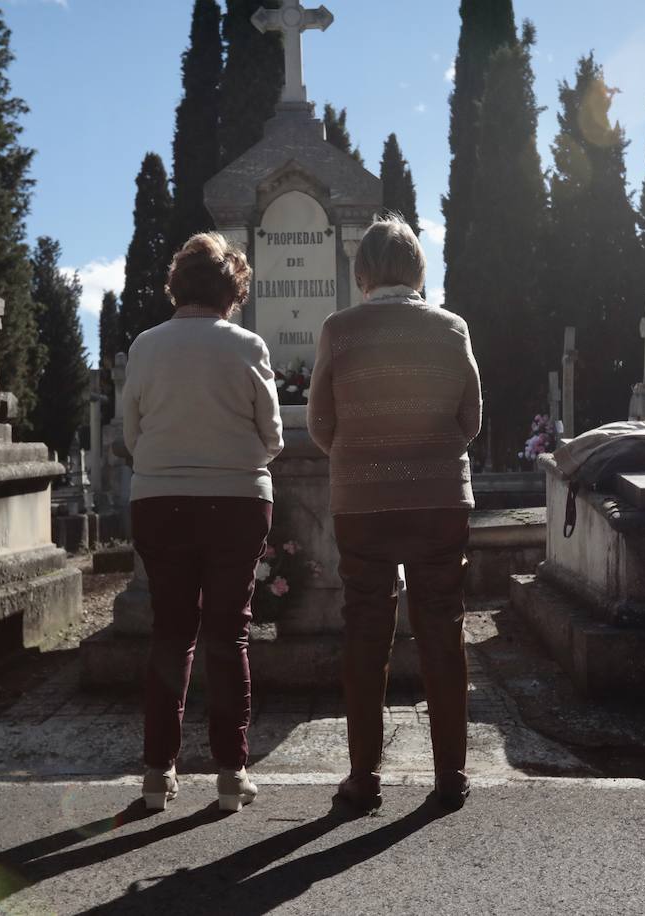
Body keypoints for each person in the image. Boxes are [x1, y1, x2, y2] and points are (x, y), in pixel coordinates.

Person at [307, 214, 482, 813]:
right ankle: (451, 777)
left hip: (362, 504)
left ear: (361, 275)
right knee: (443, 630)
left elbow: (320, 421)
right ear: (418, 270)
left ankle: (364, 779)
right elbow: (471, 418)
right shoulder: (452, 328)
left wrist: (358, 458)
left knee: (365, 632)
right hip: (439, 501)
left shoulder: (339, 329)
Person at [123, 232, 284, 813]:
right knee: (228, 631)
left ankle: (157, 773)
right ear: (232, 290)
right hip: (236, 499)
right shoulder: (247, 346)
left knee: (171, 632)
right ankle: (231, 773)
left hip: (160, 499)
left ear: (177, 284)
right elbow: (273, 434)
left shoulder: (145, 347)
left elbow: (131, 433)